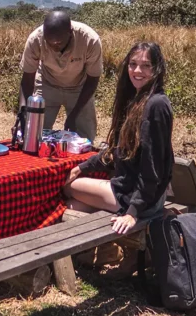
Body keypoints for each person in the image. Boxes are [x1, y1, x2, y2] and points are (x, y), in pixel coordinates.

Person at [62, 41, 174, 237]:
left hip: (140, 197)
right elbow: (117, 149)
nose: (137, 70)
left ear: (157, 69)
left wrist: (133, 212)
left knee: (68, 185)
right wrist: (83, 166)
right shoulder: (136, 100)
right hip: (134, 190)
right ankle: (106, 249)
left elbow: (152, 165)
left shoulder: (155, 105)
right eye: (133, 64)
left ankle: (113, 242)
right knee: (72, 206)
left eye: (146, 65)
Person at [19, 11, 102, 140]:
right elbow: (27, 78)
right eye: (49, 41)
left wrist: (74, 115)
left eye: (58, 43)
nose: (53, 46)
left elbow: (93, 79)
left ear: (70, 32)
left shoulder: (89, 39)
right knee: (33, 134)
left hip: (79, 88)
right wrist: (24, 111)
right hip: (47, 84)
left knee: (83, 139)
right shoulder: (35, 39)